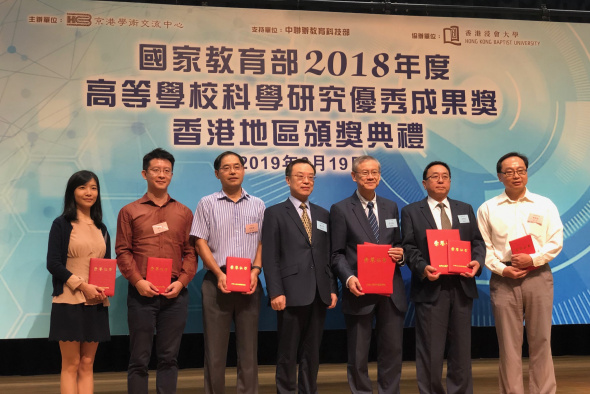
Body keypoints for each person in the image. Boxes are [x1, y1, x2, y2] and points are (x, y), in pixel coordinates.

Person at [477, 152, 563, 394]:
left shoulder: (544, 204)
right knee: (508, 344)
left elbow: (555, 242)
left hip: (538, 275)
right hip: (504, 279)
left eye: (521, 170)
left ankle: (544, 391)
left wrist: (532, 259)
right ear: (500, 176)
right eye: (510, 172)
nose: (516, 175)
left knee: (541, 341)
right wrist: (503, 269)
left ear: (527, 173)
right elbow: (485, 248)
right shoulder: (488, 208)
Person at [116, 148, 197, 394]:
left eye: (166, 171)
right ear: (145, 173)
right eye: (156, 170)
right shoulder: (130, 211)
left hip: (175, 294)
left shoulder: (183, 212)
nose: (161, 175)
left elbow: (191, 253)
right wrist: (138, 281)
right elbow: (122, 251)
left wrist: (182, 282)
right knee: (139, 359)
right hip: (142, 293)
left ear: (172, 175)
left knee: (169, 358)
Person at [401, 161, 484, 394]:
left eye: (445, 176)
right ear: (424, 183)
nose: (440, 180)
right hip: (431, 288)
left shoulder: (464, 209)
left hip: (461, 286)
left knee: (461, 348)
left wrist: (477, 262)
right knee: (431, 349)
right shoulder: (411, 211)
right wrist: (423, 267)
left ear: (450, 181)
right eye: (435, 176)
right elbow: (408, 247)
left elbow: (477, 242)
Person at [330, 155, 407, 394]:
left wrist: (401, 255)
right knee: (358, 353)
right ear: (354, 176)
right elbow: (336, 253)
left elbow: (398, 243)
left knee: (392, 351)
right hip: (359, 289)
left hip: (390, 290)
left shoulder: (391, 206)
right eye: (365, 172)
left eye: (375, 172)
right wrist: (349, 278)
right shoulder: (341, 209)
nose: (371, 176)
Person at [261, 158, 338, 393]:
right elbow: (270, 257)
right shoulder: (274, 213)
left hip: (319, 292)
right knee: (288, 351)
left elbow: (326, 255)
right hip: (290, 293)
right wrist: (275, 291)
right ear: (288, 180)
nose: (306, 181)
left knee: (312, 352)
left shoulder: (323, 214)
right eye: (300, 176)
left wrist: (332, 288)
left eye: (310, 177)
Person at [191, 151, 265, 394]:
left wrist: (256, 270)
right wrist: (219, 273)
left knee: (248, 348)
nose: (233, 171)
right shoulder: (207, 203)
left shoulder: (258, 204)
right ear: (217, 173)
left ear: (244, 170)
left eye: (237, 166)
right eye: (226, 168)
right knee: (214, 349)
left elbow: (262, 243)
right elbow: (200, 241)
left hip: (250, 281)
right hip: (216, 280)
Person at [47, 170, 111, 394]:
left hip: (95, 302)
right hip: (69, 300)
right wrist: (82, 285)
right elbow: (53, 264)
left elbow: (105, 265)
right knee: (71, 364)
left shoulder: (101, 228)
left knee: (87, 364)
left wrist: (103, 289)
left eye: (93, 188)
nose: (89, 192)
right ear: (72, 192)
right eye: (83, 187)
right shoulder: (62, 224)